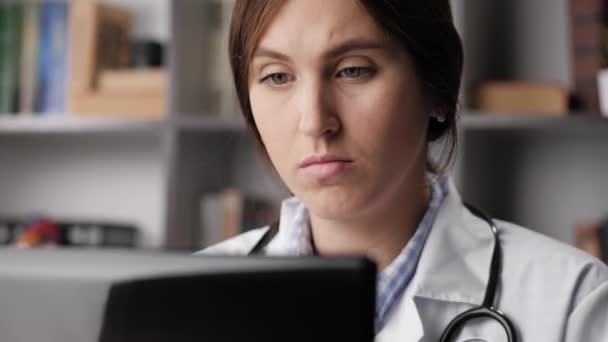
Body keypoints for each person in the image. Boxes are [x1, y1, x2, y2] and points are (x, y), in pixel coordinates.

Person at [199, 0, 608, 341]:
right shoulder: (189, 296)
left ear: (436, 88)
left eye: (352, 70)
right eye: (276, 76)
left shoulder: (573, 303)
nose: (314, 121)